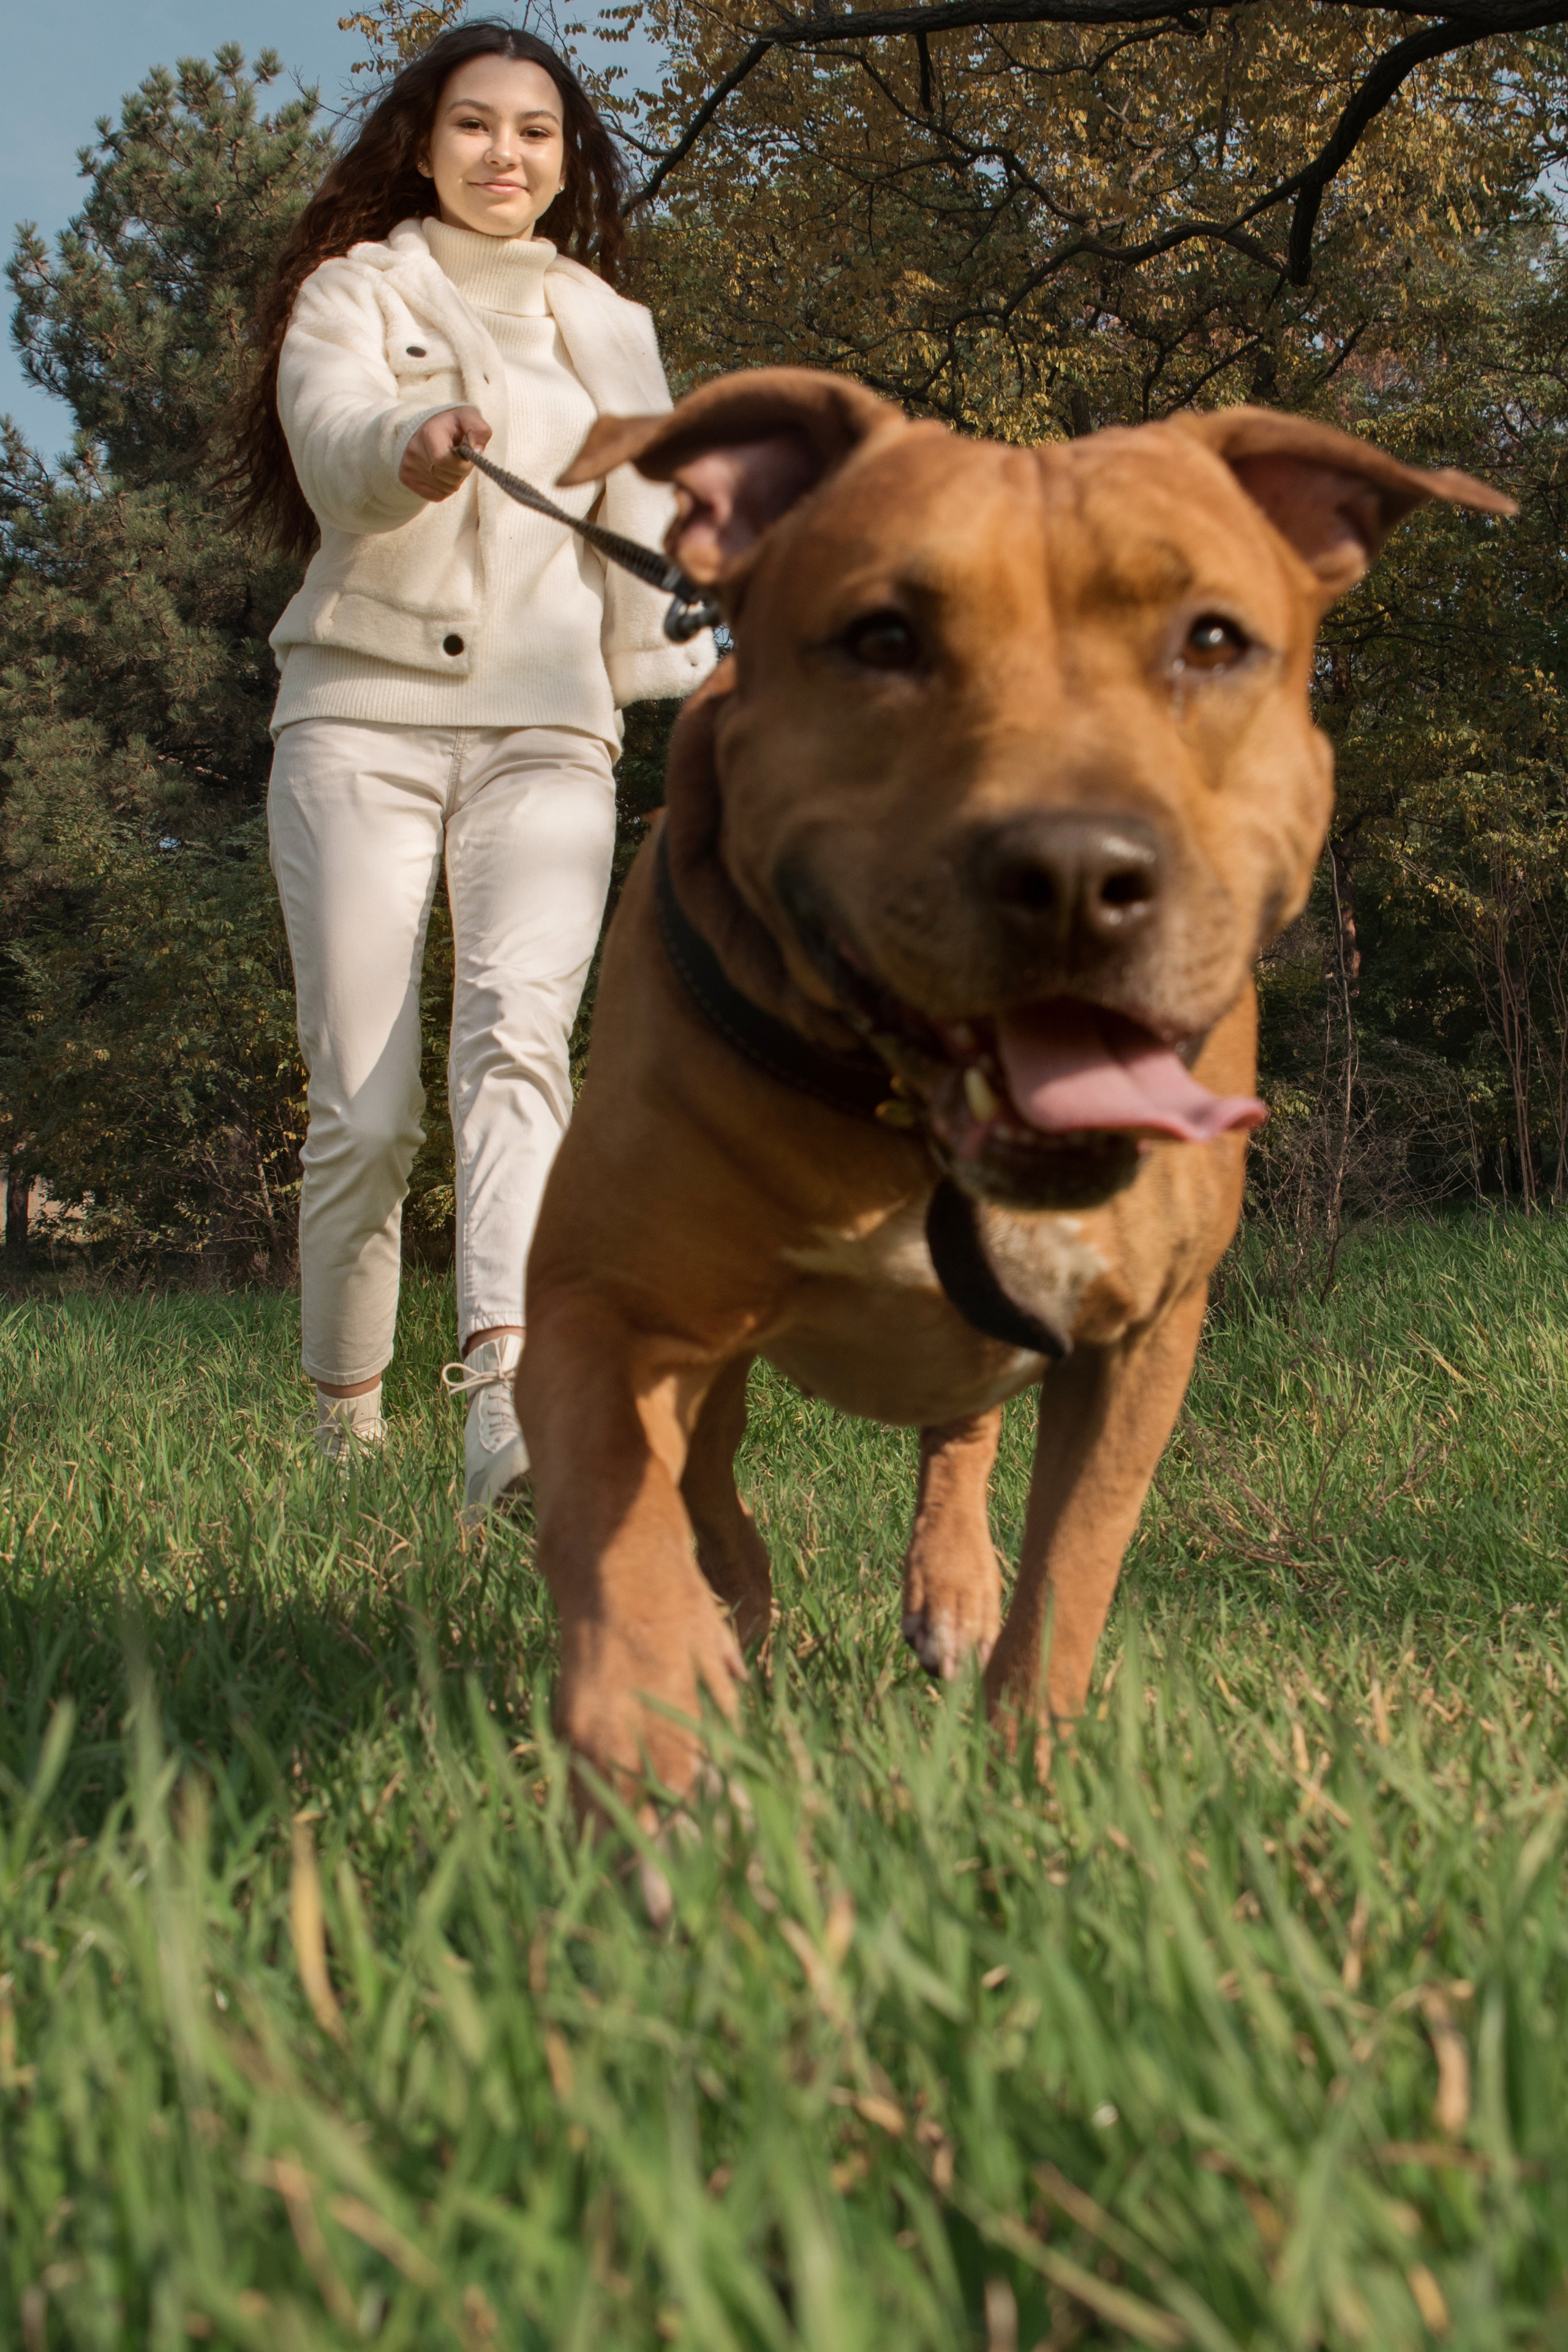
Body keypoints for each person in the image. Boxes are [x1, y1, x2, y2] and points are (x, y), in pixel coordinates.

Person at [232, 20, 712, 1512]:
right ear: (422, 143)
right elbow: (329, 433)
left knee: (518, 1044)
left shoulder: (608, 326)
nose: (505, 154)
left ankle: (505, 1409)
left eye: (536, 133)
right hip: (360, 720)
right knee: (365, 1110)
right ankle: (343, 1429)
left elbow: (663, 535)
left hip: (550, 724)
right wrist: (411, 441)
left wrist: (723, 667)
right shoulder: (356, 291)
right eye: (474, 127)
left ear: (569, 164)